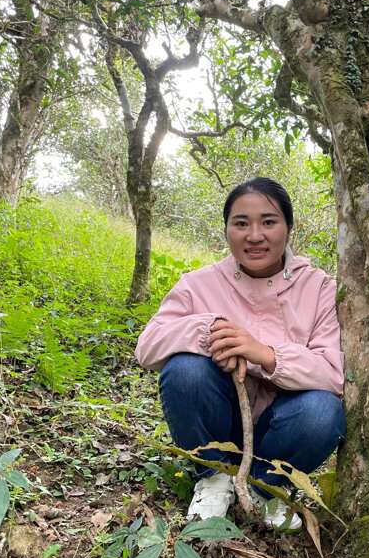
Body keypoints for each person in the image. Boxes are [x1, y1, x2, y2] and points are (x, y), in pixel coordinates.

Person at [134, 177, 346, 530]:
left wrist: (266, 354)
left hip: (285, 426)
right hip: (219, 418)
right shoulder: (199, 284)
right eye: (241, 223)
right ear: (227, 229)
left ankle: (267, 489)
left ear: (288, 228)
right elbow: (148, 346)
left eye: (268, 221)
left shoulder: (320, 288)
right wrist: (210, 331)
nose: (255, 236)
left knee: (324, 410)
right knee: (185, 369)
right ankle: (213, 478)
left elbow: (332, 374)